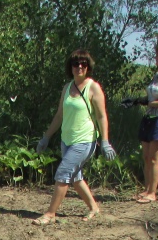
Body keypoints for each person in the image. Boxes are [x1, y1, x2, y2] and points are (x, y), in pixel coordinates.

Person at [32, 49, 113, 225]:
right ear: (71, 67)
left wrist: (105, 141)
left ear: (88, 66)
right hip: (66, 140)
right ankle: (94, 207)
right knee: (75, 178)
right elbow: (60, 115)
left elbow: (101, 116)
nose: (79, 67)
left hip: (84, 141)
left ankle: (50, 213)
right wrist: (46, 137)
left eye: (83, 64)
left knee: (63, 174)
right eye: (76, 64)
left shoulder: (93, 87)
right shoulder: (67, 88)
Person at [122, 42, 158, 204]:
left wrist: (145, 103)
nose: (155, 57)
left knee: (154, 158)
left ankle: (152, 193)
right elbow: (152, 97)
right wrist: (136, 101)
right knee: (146, 156)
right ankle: (146, 190)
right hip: (148, 118)